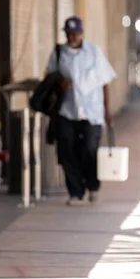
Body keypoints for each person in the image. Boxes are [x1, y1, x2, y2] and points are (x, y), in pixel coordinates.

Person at [46, 16, 117, 206]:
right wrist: (59, 82)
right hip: (66, 111)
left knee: (88, 150)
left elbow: (105, 82)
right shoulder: (59, 53)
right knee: (67, 151)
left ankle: (92, 186)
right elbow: (48, 76)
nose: (72, 37)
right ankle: (75, 192)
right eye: (69, 33)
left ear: (81, 33)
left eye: (75, 33)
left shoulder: (93, 52)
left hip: (91, 113)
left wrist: (107, 110)